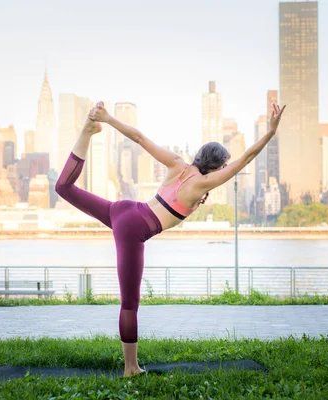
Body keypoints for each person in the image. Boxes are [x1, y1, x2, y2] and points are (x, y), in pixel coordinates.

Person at [55, 101, 285, 377]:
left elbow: (140, 138)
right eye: (223, 166)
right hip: (133, 229)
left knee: (63, 187)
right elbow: (245, 159)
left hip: (124, 209)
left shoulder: (177, 164)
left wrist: (109, 118)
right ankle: (130, 368)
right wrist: (270, 132)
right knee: (130, 303)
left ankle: (88, 131)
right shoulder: (202, 183)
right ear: (219, 166)